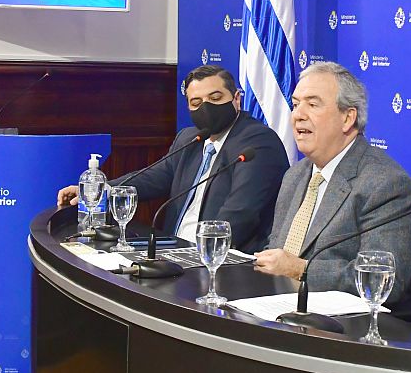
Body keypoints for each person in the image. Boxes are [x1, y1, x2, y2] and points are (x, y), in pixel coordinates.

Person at [56, 65, 290, 253]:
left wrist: (201, 254)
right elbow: (152, 178)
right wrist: (100, 191)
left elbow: (241, 212)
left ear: (237, 99)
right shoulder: (191, 138)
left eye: (215, 98)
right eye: (196, 103)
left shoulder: (257, 142)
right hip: (174, 250)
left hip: (217, 258)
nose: (206, 107)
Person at [253, 62, 411, 305]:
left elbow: (384, 279)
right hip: (278, 309)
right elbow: (277, 253)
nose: (298, 115)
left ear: (348, 118)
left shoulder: (385, 185)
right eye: (295, 104)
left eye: (312, 105)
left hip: (344, 330)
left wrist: (302, 270)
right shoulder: (295, 175)